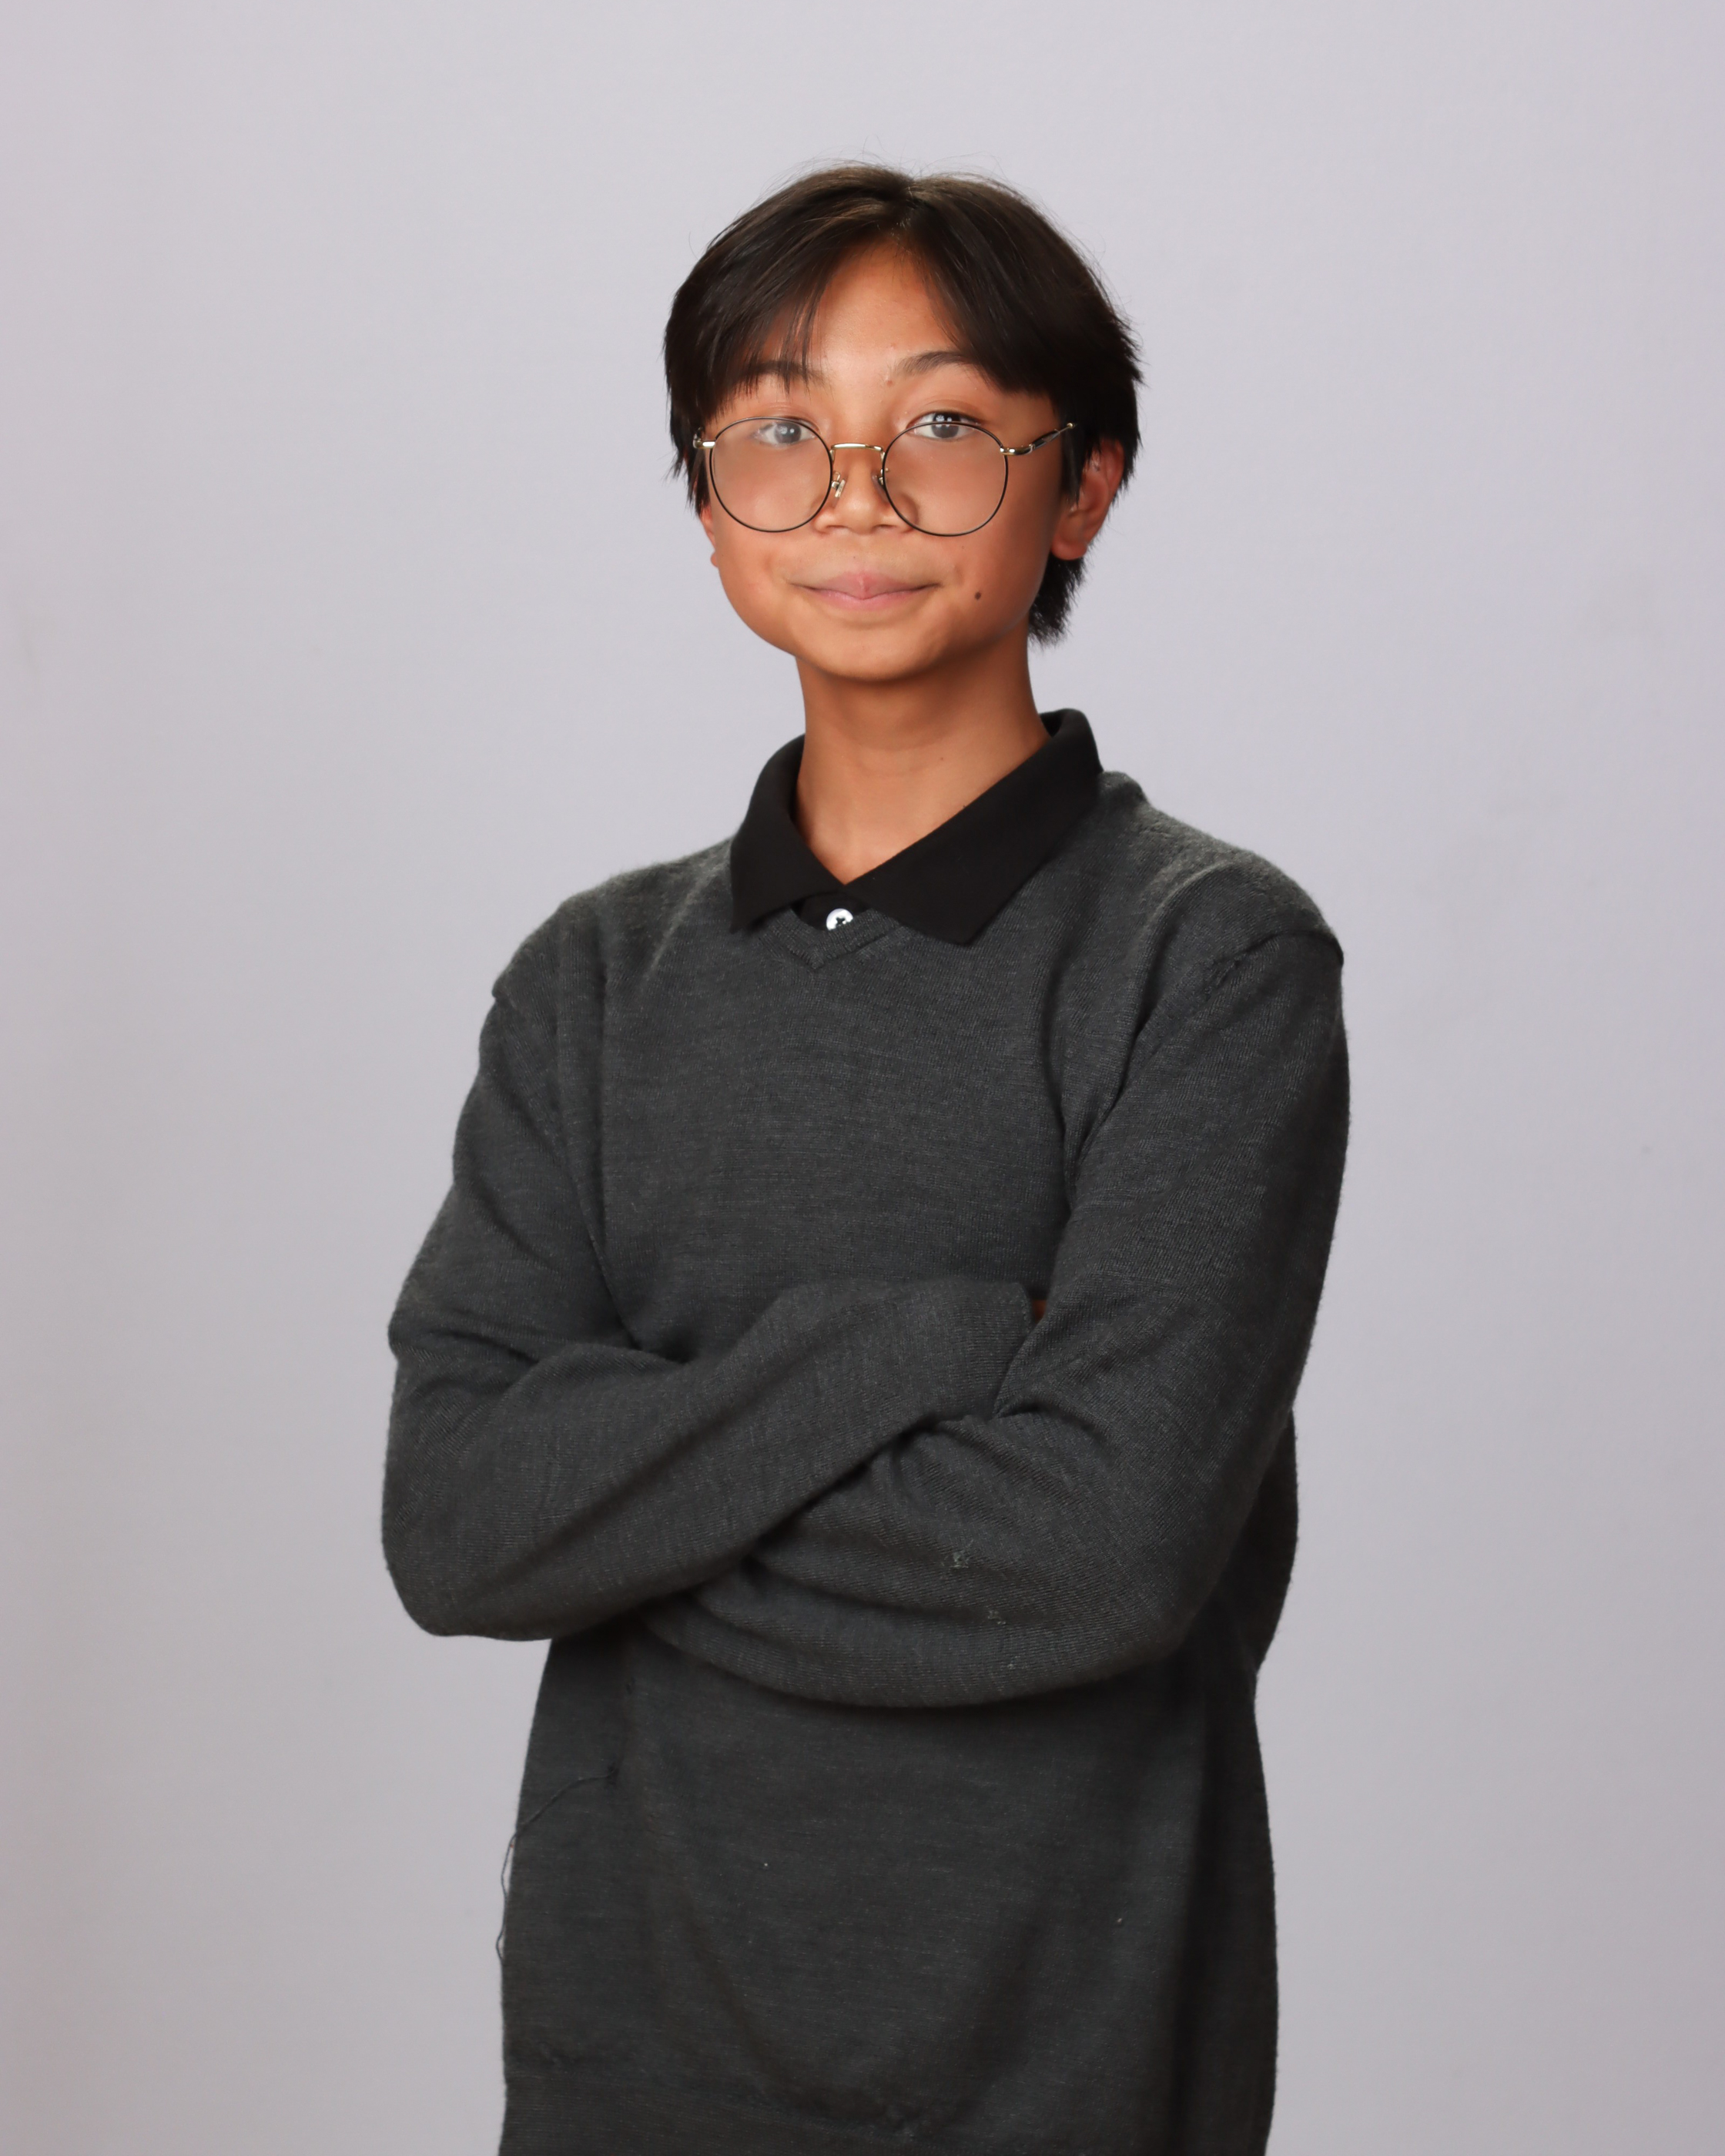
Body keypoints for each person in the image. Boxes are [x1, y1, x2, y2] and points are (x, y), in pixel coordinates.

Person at [383, 162, 1349, 2156]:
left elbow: (1103, 1553)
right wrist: (928, 1346)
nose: (854, 495)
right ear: (707, 496)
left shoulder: (1205, 957)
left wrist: (636, 1524)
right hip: (630, 2050)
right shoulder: (590, 982)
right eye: (778, 431)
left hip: (1066, 2057)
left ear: (1080, 487)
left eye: (943, 427)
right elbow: (462, 1520)